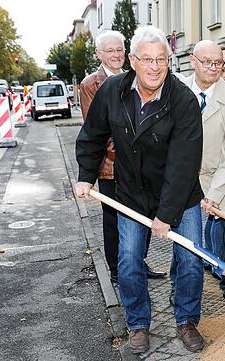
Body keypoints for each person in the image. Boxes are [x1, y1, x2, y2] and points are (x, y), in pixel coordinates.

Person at [75, 25, 206, 354]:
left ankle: (187, 319)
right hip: (131, 193)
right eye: (146, 59)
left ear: (169, 60)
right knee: (130, 260)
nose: (154, 66)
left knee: (189, 260)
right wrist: (85, 176)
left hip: (179, 194)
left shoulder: (183, 100)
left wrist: (166, 214)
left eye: (160, 59)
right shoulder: (112, 92)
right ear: (132, 60)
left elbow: (184, 162)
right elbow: (92, 135)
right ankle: (138, 323)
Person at [78, 30, 166, 285]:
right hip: (111, 167)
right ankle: (117, 267)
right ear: (99, 54)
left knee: (144, 214)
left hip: (142, 167)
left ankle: (137, 261)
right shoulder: (90, 84)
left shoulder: (136, 78)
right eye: (110, 51)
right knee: (114, 218)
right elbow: (96, 130)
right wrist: (134, 148)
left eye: (119, 49)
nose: (116, 55)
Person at [180, 41, 225, 309]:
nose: (213, 67)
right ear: (192, 61)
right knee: (186, 242)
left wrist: (214, 195)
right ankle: (182, 289)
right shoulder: (177, 91)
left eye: (218, 63)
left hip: (224, 179)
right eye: (206, 61)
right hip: (185, 179)